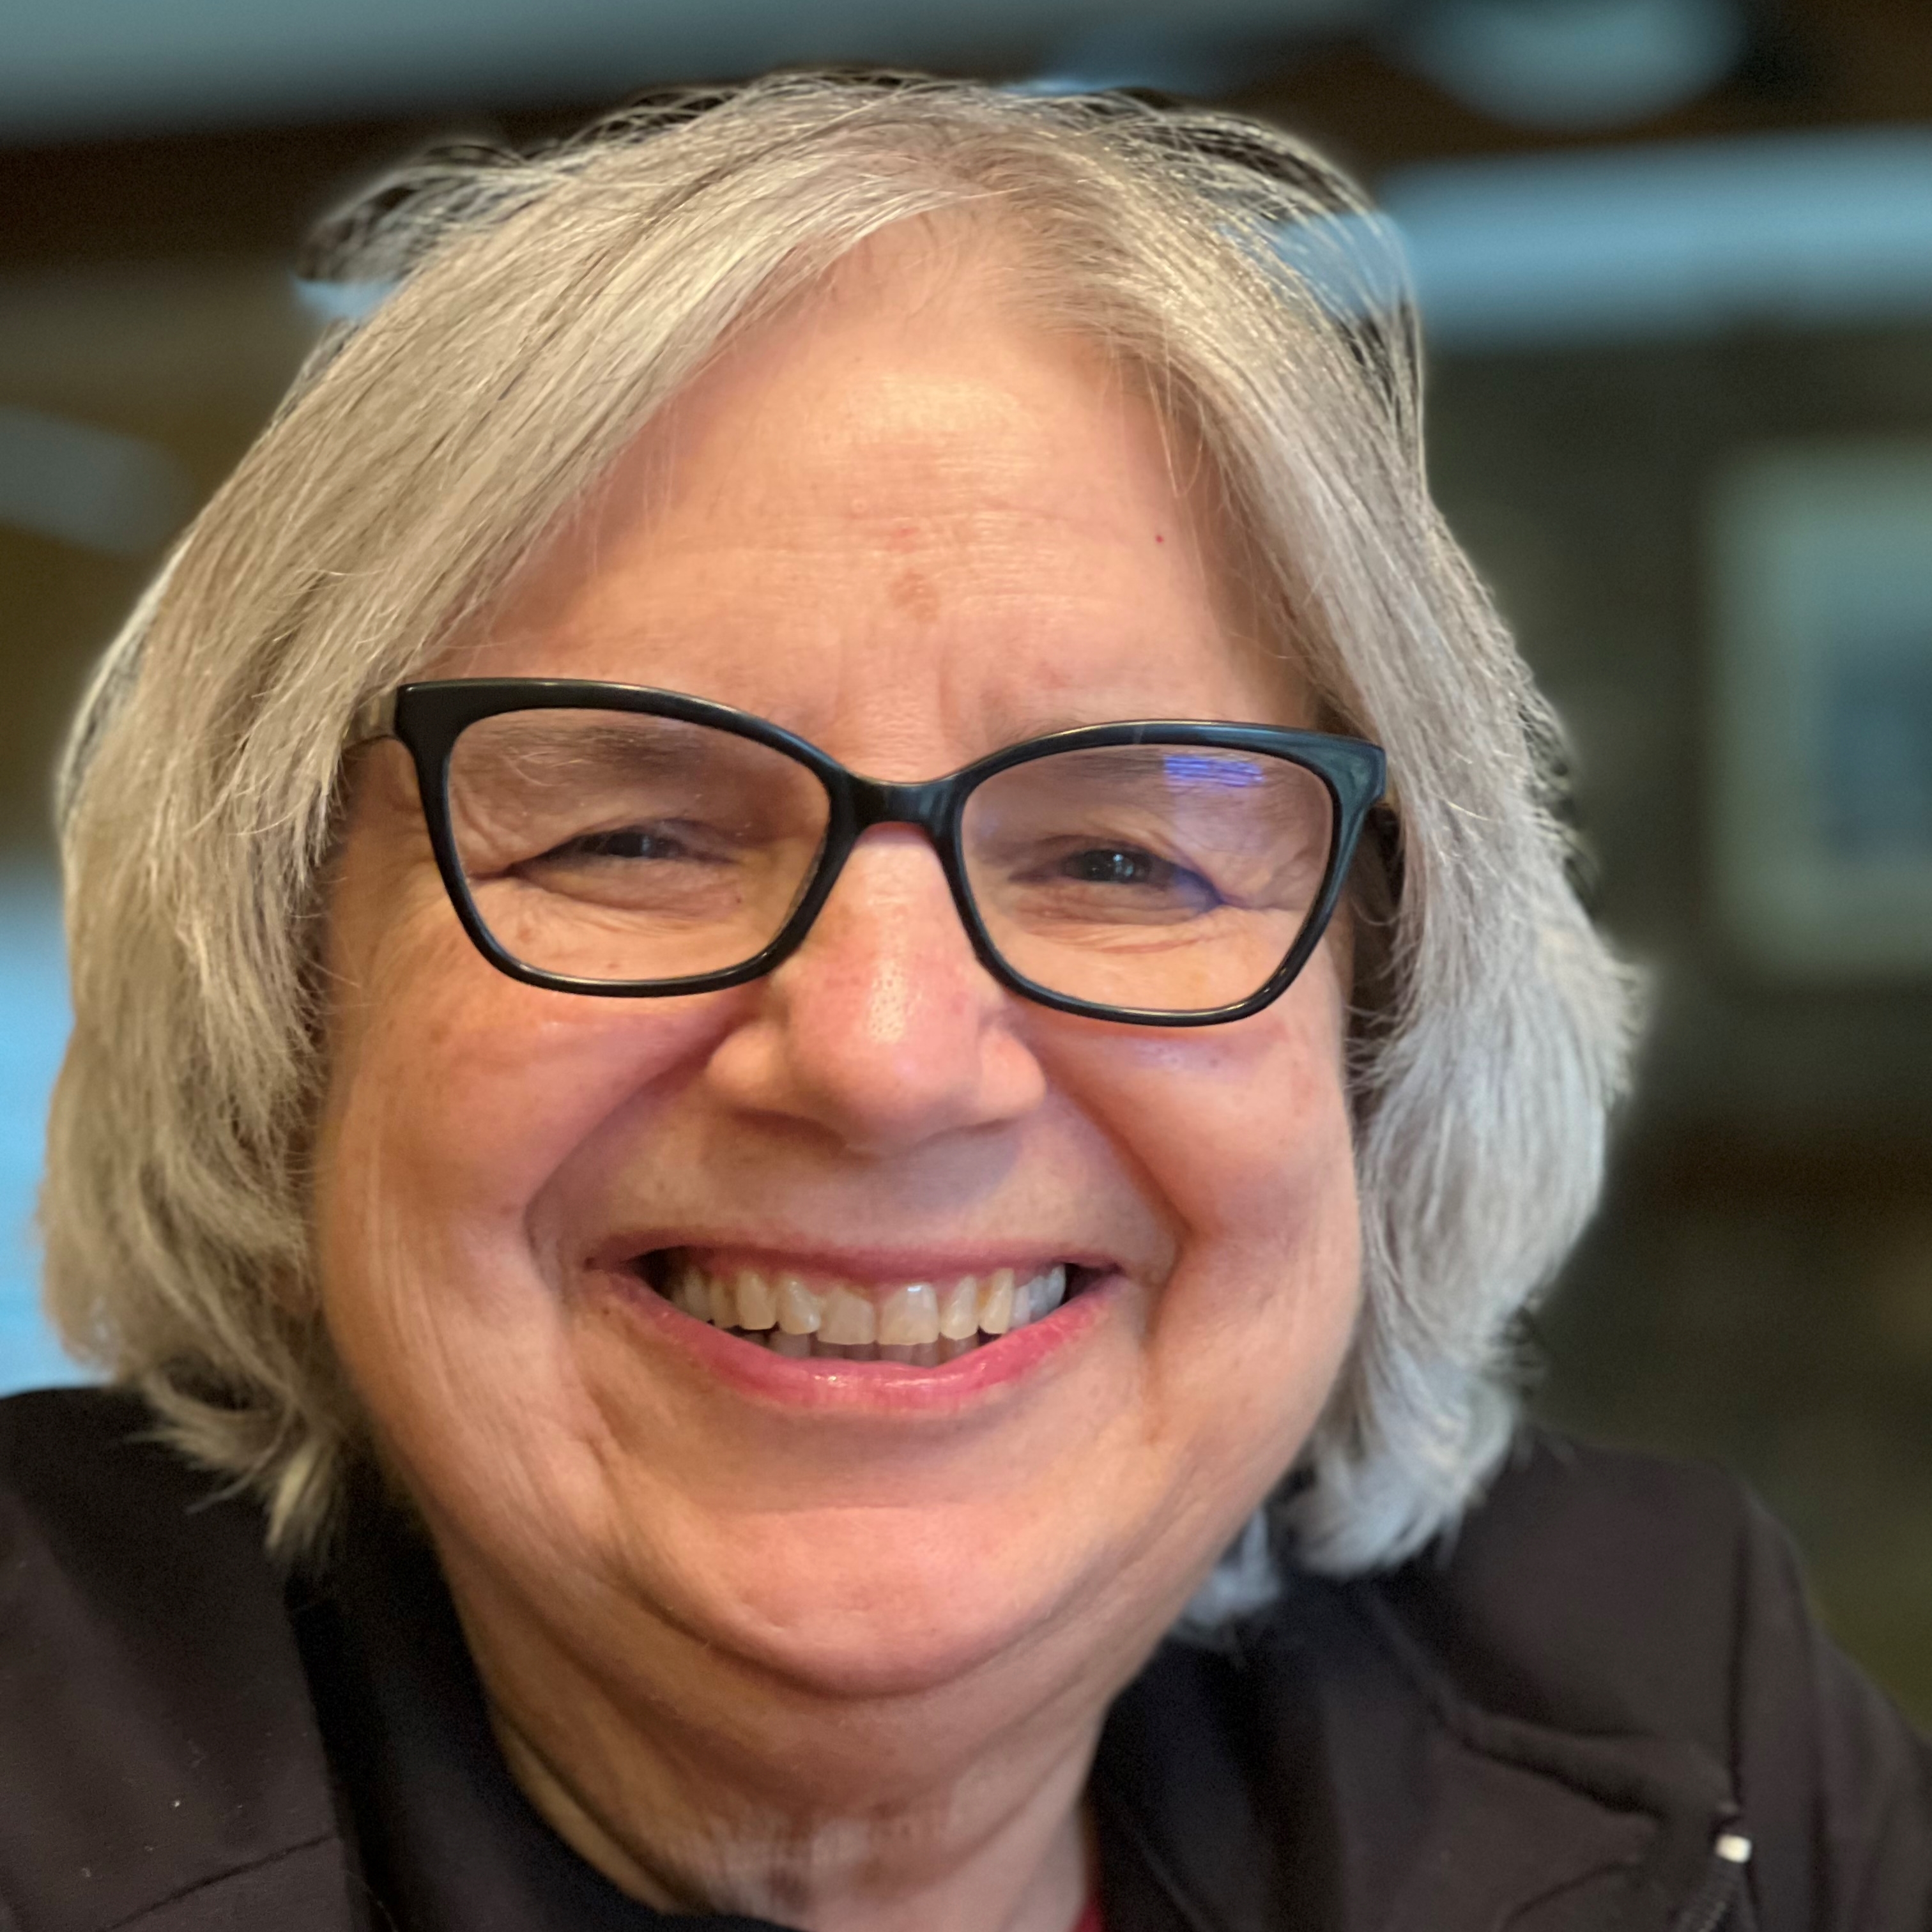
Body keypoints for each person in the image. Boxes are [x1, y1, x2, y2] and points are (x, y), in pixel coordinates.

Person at [1, 73, 1926, 1932]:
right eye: (635, 837)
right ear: (287, 1011)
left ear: (1377, 1033)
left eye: (1121, 861)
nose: (885, 1057)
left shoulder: (1678, 1720)